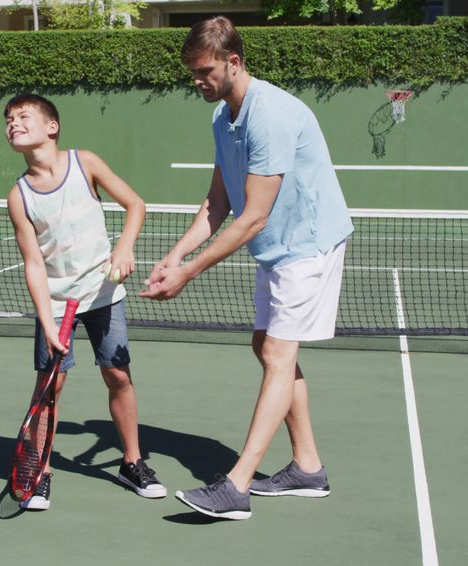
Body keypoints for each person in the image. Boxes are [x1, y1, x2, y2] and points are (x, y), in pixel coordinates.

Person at [139, 17, 354, 520]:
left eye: (205, 71)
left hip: (308, 245)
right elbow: (218, 204)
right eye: (192, 72)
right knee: (266, 346)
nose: (197, 81)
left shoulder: (272, 115)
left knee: (278, 352)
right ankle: (307, 467)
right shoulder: (222, 118)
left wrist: (190, 273)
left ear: (233, 62)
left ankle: (236, 486)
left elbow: (253, 215)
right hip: (277, 248)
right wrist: (175, 254)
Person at [4, 93, 166, 510]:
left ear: (51, 127)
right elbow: (34, 265)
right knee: (49, 386)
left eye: (23, 117)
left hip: (103, 295)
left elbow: (135, 204)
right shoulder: (19, 196)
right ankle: (39, 471)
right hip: (56, 305)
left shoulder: (85, 163)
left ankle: (132, 463)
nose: (13, 124)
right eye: (8, 120)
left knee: (118, 376)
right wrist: (46, 318)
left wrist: (124, 248)